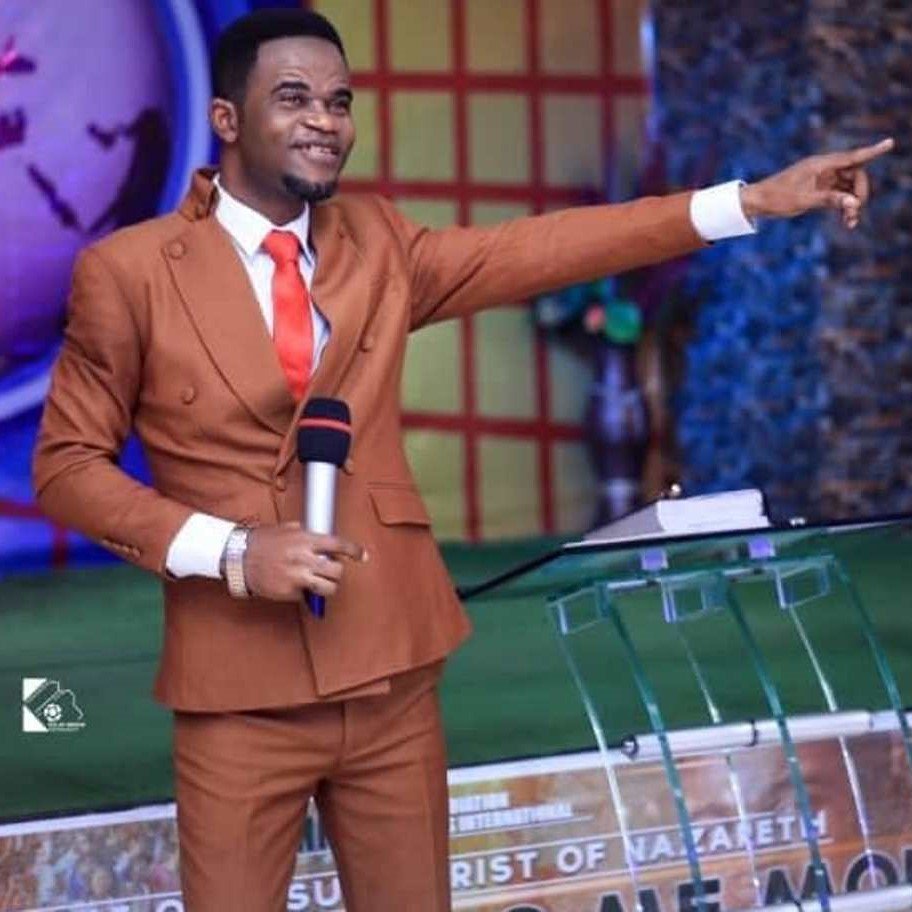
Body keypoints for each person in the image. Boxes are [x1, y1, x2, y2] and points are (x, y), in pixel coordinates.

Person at [31, 8, 891, 912]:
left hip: (392, 671)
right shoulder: (130, 273)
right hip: (237, 690)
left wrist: (747, 202)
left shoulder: (377, 242)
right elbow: (67, 466)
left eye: (339, 101)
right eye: (293, 98)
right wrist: (233, 550)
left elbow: (540, 249)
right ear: (226, 119)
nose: (324, 120)